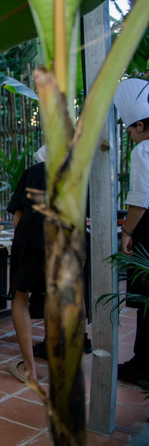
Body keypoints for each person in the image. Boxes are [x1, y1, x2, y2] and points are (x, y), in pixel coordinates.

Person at [114, 78, 149, 385]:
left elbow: (140, 200)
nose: (129, 136)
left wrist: (126, 231)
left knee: (145, 299)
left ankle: (142, 365)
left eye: (129, 130)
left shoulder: (144, 150)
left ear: (139, 125)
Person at [7, 145, 47, 383]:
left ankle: (29, 369)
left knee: (21, 296)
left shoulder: (35, 171)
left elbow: (17, 217)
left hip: (35, 238)